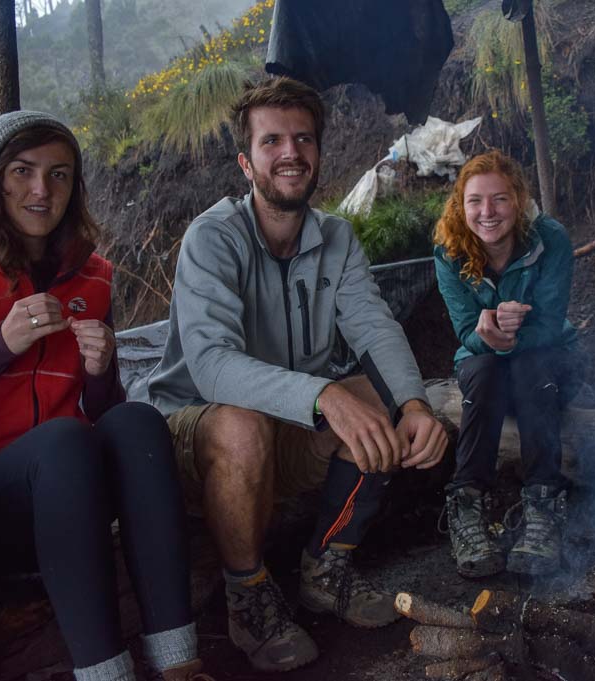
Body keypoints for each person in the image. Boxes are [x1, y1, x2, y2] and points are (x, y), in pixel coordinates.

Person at [146, 77, 448, 673]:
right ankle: (248, 593)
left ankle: (325, 566)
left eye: (303, 139)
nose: (291, 152)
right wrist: (324, 393)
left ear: (318, 153)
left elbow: (374, 327)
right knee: (241, 425)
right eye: (272, 140)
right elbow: (209, 367)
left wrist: (415, 405)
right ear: (246, 160)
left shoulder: (334, 236)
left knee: (382, 399)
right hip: (194, 437)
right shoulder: (213, 238)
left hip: (288, 425)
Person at [0, 111, 210, 681]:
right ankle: (105, 672)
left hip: (67, 499)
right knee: (64, 443)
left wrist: (100, 374)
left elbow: (104, 412)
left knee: (138, 422)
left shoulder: (94, 275)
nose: (40, 190)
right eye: (22, 171)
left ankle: (179, 662)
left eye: (60, 175)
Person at [433, 150, 576, 578]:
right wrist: (487, 337)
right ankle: (468, 508)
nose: (487, 212)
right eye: (475, 200)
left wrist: (507, 339)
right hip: (486, 367)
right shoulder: (448, 250)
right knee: (484, 370)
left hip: (550, 363)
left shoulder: (550, 239)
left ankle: (543, 507)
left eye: (499, 199)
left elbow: (550, 324)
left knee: (530, 368)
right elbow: (464, 331)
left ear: (518, 199)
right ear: (462, 204)